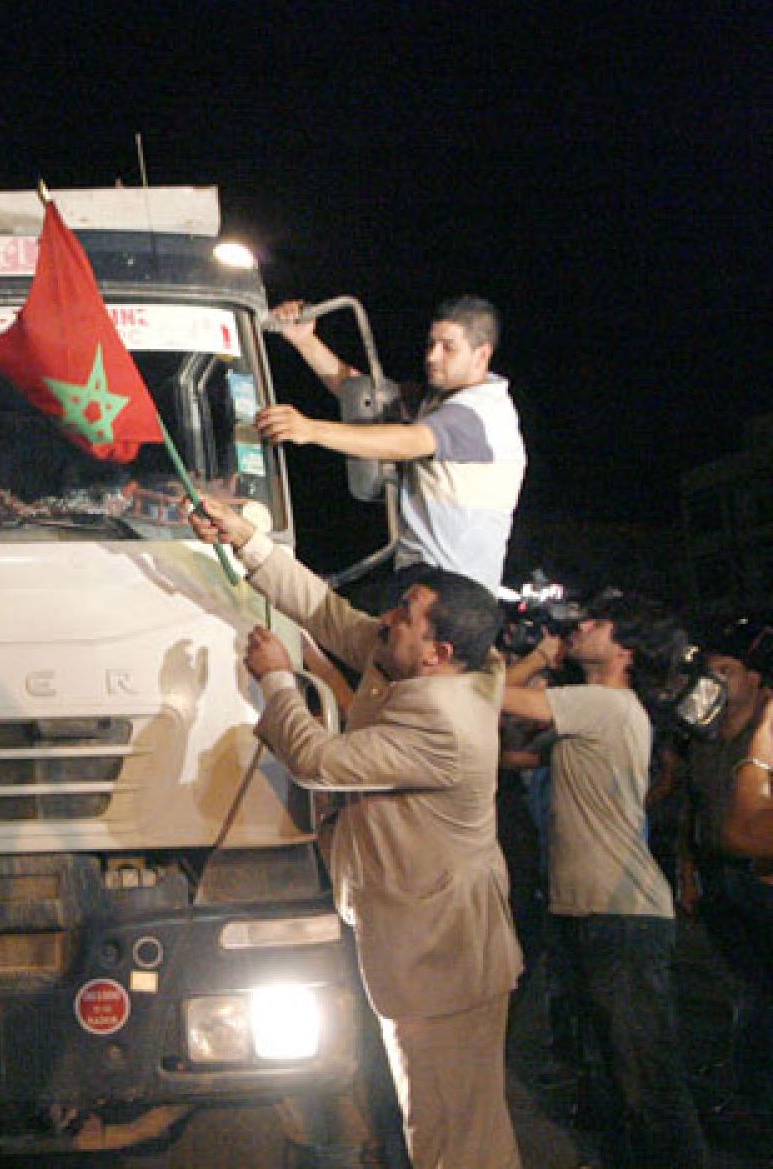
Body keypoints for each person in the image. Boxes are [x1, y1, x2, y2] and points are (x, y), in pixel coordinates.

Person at [186, 495, 522, 1169]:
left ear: (439, 652)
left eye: (405, 616)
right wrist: (247, 540)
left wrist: (278, 682)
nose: (387, 620)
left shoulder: (445, 721)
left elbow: (318, 761)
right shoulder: (421, 666)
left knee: (455, 1138)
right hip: (427, 947)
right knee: (446, 1126)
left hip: (442, 959)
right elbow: (328, 614)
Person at [500, 592, 707, 1168]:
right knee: (612, 1081)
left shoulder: (604, 703)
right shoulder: (592, 709)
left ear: (626, 651)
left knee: (646, 1083)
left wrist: (537, 658)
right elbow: (509, 754)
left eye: (599, 622)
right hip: (590, 911)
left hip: (620, 916)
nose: (583, 625)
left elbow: (479, 695)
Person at [263, 297, 525, 595]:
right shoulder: (439, 400)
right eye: (431, 344)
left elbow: (411, 441)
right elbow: (363, 398)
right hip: (421, 577)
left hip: (452, 591)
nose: (433, 356)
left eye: (448, 347)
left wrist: (311, 430)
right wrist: (305, 341)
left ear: (482, 355)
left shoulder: (479, 412)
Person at [678, 617, 773, 1131]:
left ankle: (752, 1097)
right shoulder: (705, 732)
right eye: (710, 672)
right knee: (742, 984)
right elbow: (692, 806)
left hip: (757, 874)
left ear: (755, 680)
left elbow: (749, 828)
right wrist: (688, 872)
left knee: (759, 990)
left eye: (727, 671)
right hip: (718, 873)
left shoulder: (766, 738)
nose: (715, 681)